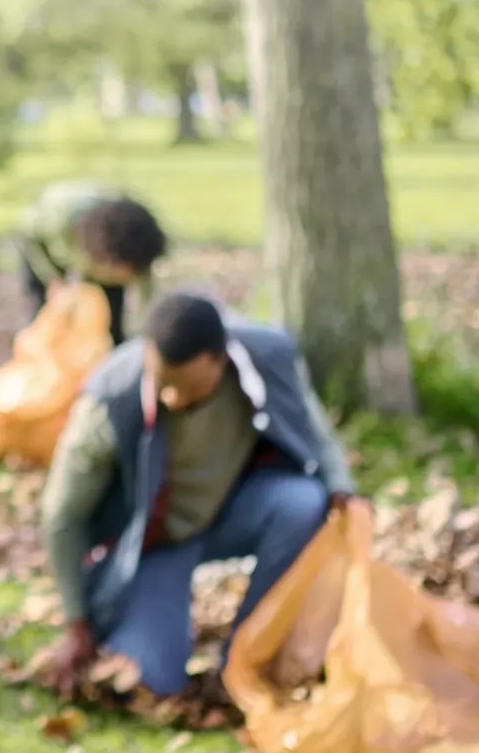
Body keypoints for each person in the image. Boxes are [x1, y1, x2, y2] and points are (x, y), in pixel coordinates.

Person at [39, 292, 358, 699]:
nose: (171, 398)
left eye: (185, 389)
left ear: (220, 360)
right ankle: (142, 629)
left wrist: (342, 487)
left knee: (303, 502)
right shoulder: (111, 398)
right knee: (152, 681)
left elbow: (317, 433)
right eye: (162, 384)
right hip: (153, 544)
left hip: (231, 511)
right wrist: (76, 624)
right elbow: (61, 515)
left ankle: (246, 656)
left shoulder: (265, 360)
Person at [15, 179, 168, 346]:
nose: (127, 277)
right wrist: (52, 278)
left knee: (110, 312)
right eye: (122, 271)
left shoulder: (138, 255)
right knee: (46, 308)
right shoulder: (60, 219)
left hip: (98, 256)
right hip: (41, 244)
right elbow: (29, 237)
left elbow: (147, 304)